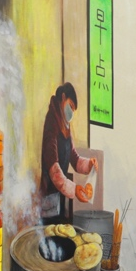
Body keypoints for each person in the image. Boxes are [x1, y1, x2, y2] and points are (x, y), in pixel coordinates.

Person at [39, 82, 97, 223]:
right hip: (49, 195)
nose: (71, 113)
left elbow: (74, 159)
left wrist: (89, 164)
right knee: (50, 232)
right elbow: (53, 168)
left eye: (73, 110)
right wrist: (75, 189)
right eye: (70, 106)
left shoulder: (65, 125)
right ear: (63, 97)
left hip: (60, 193)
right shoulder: (52, 121)